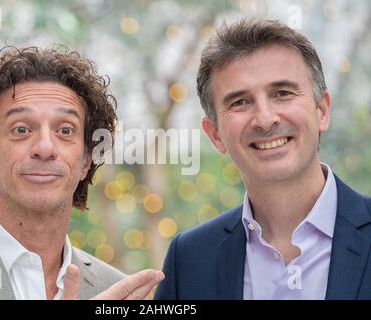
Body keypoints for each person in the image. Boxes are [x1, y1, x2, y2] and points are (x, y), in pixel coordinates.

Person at [0, 46, 164, 300]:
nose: (45, 148)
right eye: (21, 129)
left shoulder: (117, 291)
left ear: (86, 161)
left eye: (66, 130)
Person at [155, 19, 371, 300]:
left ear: (322, 111)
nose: (266, 119)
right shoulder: (189, 259)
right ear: (215, 134)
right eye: (240, 102)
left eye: (282, 93)